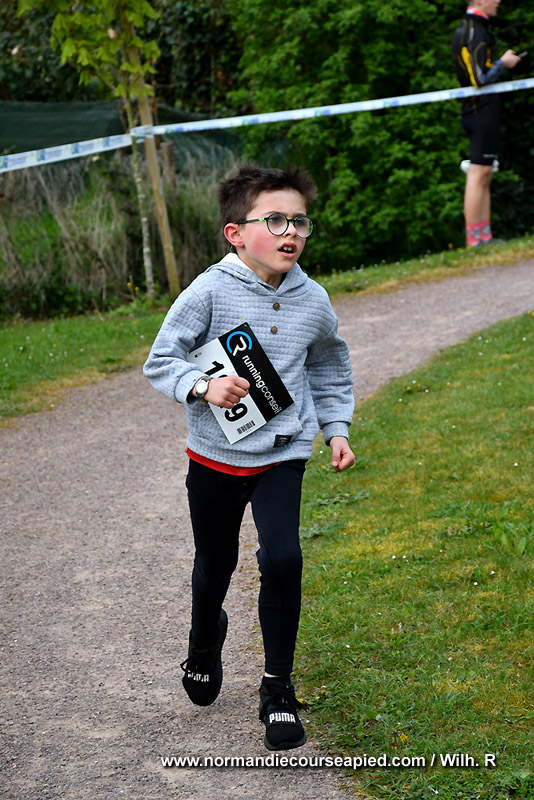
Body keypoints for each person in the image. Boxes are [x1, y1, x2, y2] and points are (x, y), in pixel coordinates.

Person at [143, 164, 355, 751]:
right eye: (276, 221)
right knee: (215, 563)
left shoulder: (314, 300)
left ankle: (277, 689)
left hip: (283, 452)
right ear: (236, 233)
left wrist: (336, 429)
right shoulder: (209, 291)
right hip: (214, 456)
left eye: (300, 222)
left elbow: (329, 366)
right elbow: (161, 359)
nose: (292, 233)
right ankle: (204, 639)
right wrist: (202, 386)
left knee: (283, 558)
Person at [451, 0, 522, 247]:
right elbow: (480, 78)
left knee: (485, 172)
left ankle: (485, 236)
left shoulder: (474, 27)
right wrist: (504, 63)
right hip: (478, 110)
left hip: (481, 109)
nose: (499, 1)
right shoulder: (473, 30)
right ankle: (474, 240)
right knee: (478, 172)